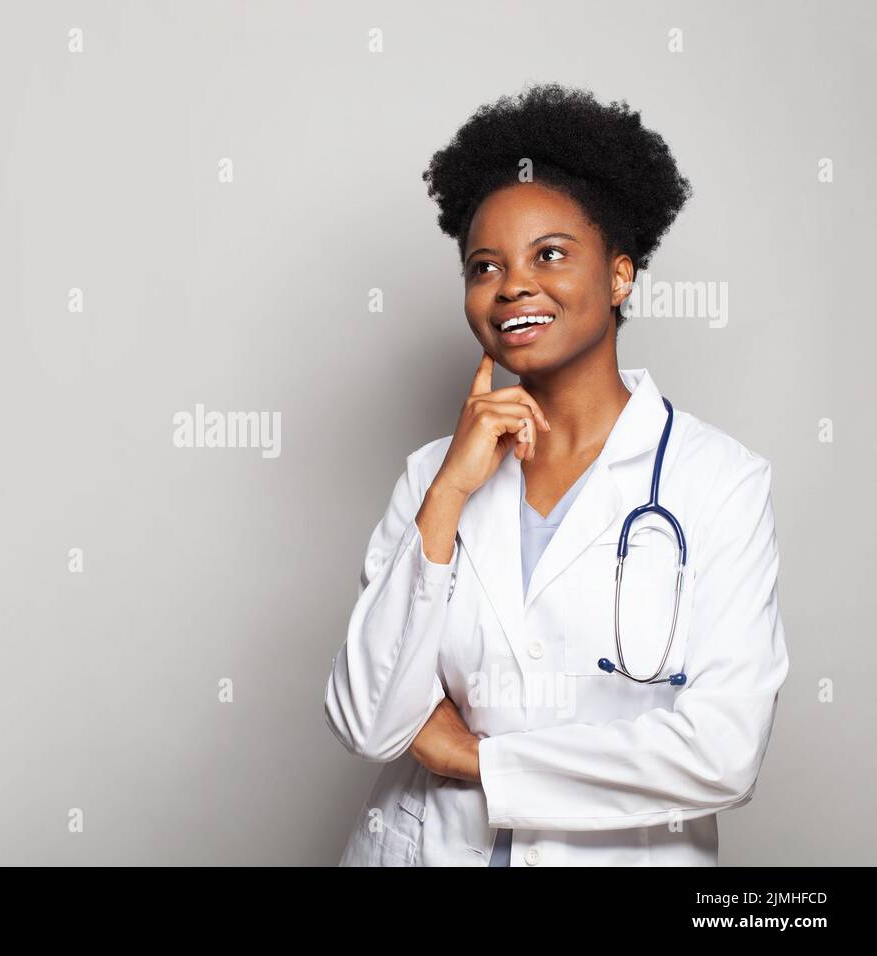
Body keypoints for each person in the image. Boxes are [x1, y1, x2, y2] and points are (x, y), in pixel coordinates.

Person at [323, 83, 789, 866]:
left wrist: (478, 760)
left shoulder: (720, 483)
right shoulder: (432, 478)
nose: (512, 286)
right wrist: (447, 496)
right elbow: (369, 722)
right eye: (485, 266)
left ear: (618, 276)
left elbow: (721, 751)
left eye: (551, 255)